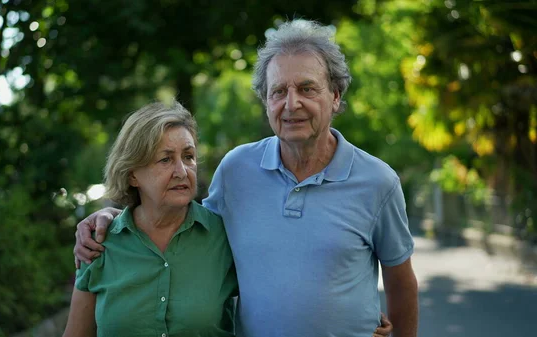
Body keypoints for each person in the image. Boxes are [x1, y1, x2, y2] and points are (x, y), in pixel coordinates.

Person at [75, 19, 417, 337]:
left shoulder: (377, 181)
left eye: (307, 88)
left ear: (336, 96)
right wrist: (108, 217)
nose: (291, 103)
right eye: (278, 91)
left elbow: (401, 284)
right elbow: (184, 226)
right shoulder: (237, 169)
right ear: (266, 102)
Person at [63, 101, 238, 337]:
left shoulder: (226, 235)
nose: (182, 171)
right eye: (165, 160)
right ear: (133, 174)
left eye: (188, 157)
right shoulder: (98, 244)